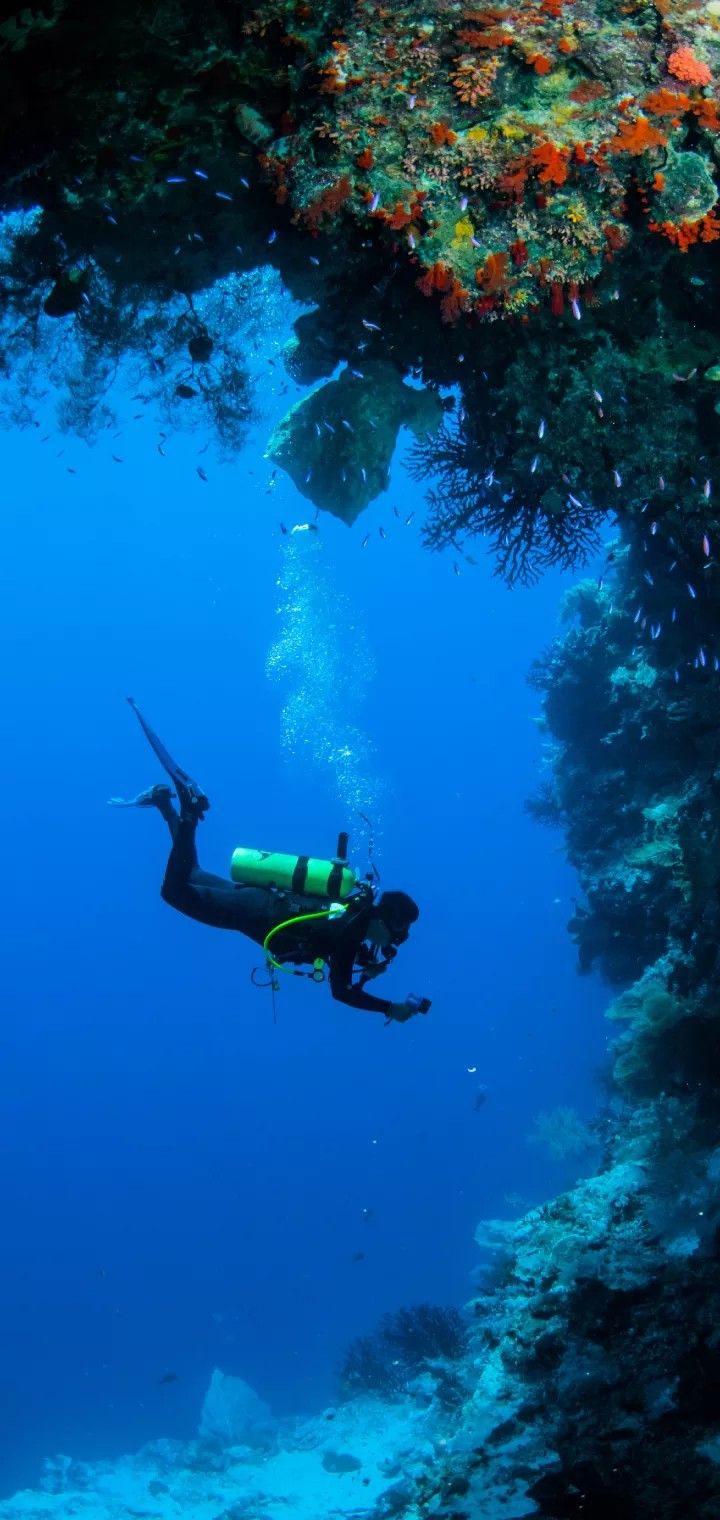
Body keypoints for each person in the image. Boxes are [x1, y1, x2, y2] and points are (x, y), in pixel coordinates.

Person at [110, 699, 431, 1024]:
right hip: (255, 912)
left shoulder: (353, 915)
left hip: (262, 899)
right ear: (384, 923)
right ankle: (190, 808)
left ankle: (164, 803)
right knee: (174, 893)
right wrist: (389, 1008)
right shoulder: (353, 928)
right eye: (393, 938)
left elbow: (335, 947)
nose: (387, 946)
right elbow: (341, 991)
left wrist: (368, 964)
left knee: (191, 873)